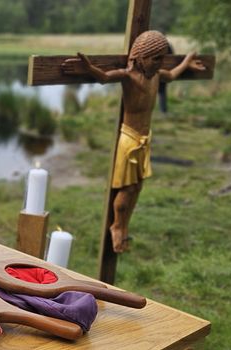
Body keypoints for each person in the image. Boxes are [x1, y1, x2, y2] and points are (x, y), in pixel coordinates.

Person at [61, 30, 206, 252]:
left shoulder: (157, 76)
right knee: (127, 189)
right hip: (129, 139)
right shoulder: (128, 77)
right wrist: (88, 68)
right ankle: (117, 227)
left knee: (138, 187)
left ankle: (125, 227)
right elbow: (105, 77)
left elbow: (174, 74)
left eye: (162, 59)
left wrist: (186, 62)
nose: (159, 64)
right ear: (139, 57)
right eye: (155, 59)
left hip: (144, 138)